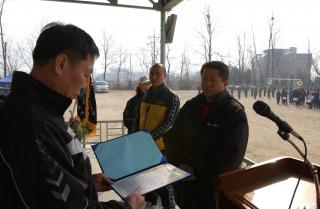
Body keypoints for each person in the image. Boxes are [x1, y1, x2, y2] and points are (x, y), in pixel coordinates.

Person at [0, 22, 144, 209]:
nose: (85, 86)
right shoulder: (31, 123)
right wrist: (126, 207)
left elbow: (44, 186)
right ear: (61, 64)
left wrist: (83, 182)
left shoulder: (42, 110)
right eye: (86, 74)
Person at [164, 61, 249, 209]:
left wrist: (197, 171)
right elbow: (173, 137)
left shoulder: (234, 113)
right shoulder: (191, 106)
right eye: (204, 79)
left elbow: (231, 156)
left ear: (225, 82)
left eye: (212, 80)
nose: (207, 84)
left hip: (212, 190)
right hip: (185, 184)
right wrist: (179, 163)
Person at [139, 63, 180, 209]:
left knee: (163, 181)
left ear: (165, 75)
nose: (154, 76)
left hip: (160, 147)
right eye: (151, 73)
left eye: (158, 73)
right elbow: (140, 117)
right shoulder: (147, 93)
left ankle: (170, 206)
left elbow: (169, 123)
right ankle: (150, 204)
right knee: (146, 179)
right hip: (144, 146)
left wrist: (148, 138)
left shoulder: (172, 97)